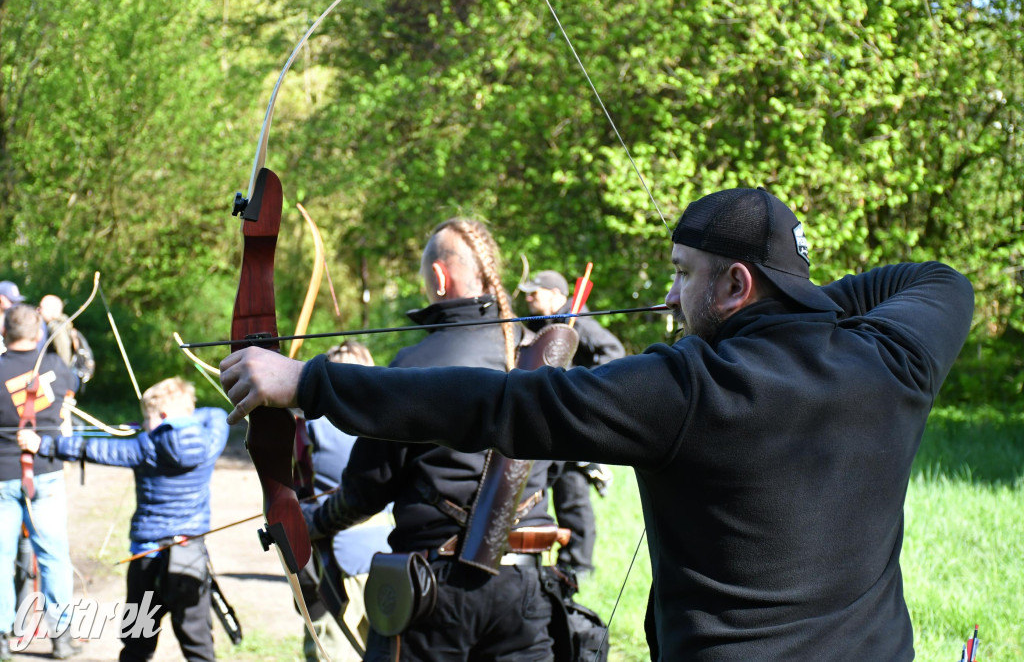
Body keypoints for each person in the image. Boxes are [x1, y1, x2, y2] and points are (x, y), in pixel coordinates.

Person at [220, 187, 975, 661]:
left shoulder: (689, 388)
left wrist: (303, 381)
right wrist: (795, 305)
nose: (674, 298)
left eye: (684, 274)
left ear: (737, 284)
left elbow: (498, 405)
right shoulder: (896, 362)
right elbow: (939, 281)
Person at [300, 219, 558, 661]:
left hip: (436, 589)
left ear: (439, 277)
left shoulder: (415, 365)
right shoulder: (547, 358)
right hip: (527, 588)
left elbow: (366, 489)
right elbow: (558, 467)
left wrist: (314, 522)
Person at [20, 377, 229, 662]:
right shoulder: (211, 439)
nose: (144, 425)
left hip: (147, 557)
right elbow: (216, 413)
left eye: (148, 418)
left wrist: (43, 444)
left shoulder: (146, 447)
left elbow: (92, 449)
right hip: (190, 554)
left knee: (137, 645)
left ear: (164, 416)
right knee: (199, 648)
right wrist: (182, 420)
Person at [519, 269, 623, 581]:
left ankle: (579, 565)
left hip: (571, 420)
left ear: (554, 294)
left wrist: (581, 386)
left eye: (534, 293)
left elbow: (613, 352)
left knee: (572, 493)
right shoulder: (541, 325)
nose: (528, 298)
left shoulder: (580, 323)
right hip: (548, 422)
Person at [300, 340, 392, 662]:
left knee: (332, 649)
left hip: (336, 558)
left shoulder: (315, 427)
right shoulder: (392, 420)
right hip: (392, 556)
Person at [0, 304, 79, 660]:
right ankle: (61, 638)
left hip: (3, 476)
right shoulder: (55, 366)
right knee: (53, 556)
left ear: (4, 334)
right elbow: (68, 396)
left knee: (1, 558)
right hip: (45, 473)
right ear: (36, 336)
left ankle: (2, 638)